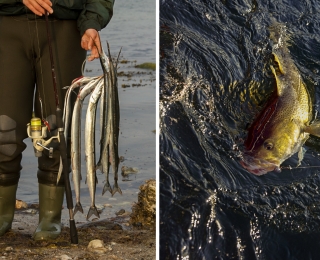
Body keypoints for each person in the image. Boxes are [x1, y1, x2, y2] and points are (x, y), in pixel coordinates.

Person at [0, 0, 114, 240]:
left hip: (65, 30)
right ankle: (2, 216)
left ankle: (50, 218)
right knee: (4, 131)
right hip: (7, 26)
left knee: (57, 131)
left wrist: (92, 22)